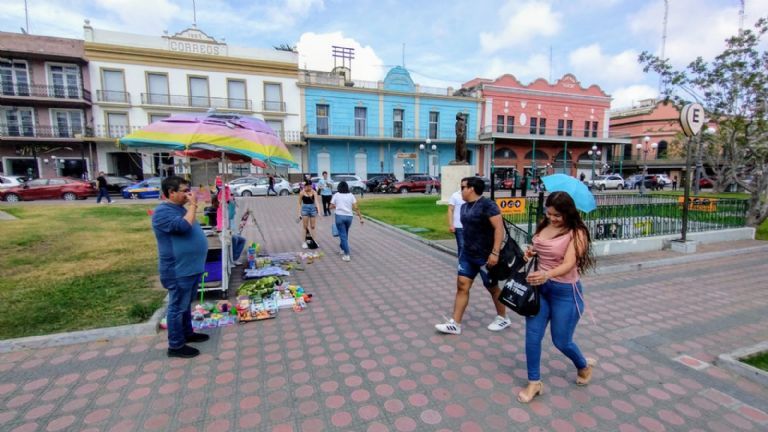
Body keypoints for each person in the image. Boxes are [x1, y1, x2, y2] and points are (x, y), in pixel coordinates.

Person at [517, 191, 596, 403]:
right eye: (549, 213)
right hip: (540, 290)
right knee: (532, 337)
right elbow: (541, 247)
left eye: (557, 215)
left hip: (565, 293)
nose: (552, 218)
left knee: (561, 341)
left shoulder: (576, 232)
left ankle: (583, 365)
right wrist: (531, 252)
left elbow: (569, 263)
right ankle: (534, 382)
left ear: (568, 213)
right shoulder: (545, 224)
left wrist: (546, 275)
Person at [435, 177, 510, 335]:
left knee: (492, 287)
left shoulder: (488, 205)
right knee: (462, 285)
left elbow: (499, 229)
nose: (460, 190)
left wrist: (495, 252)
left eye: (463, 187)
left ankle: (503, 317)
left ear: (472, 189)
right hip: (468, 254)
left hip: (485, 256)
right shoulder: (464, 206)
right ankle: (455, 323)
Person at [151, 176, 210, 359]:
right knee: (177, 307)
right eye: (184, 191)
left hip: (190, 268)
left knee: (185, 305)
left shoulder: (178, 209)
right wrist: (193, 206)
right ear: (171, 192)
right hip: (178, 270)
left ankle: (187, 333)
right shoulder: (163, 212)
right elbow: (183, 227)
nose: (188, 194)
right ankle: (175, 345)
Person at [330, 181, 364, 262]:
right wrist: (361, 218)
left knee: (343, 235)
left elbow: (330, 206)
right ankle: (342, 248)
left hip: (339, 216)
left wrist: (337, 205)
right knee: (345, 234)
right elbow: (356, 207)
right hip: (349, 217)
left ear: (339, 187)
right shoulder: (351, 195)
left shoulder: (336, 195)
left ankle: (347, 254)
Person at [298, 180, 321, 249]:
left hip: (312, 209)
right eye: (307, 186)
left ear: (311, 185)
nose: (308, 187)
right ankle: (304, 242)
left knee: (313, 226)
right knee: (305, 226)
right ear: (305, 186)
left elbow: (316, 202)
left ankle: (314, 241)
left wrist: (319, 212)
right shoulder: (302, 192)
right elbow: (299, 203)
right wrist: (299, 213)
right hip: (305, 209)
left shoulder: (314, 192)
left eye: (310, 186)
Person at [447, 186, 465, 258]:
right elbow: (450, 210)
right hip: (459, 226)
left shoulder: (472, 195)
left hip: (471, 227)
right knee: (462, 246)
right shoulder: (455, 195)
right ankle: (462, 266)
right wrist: (451, 225)